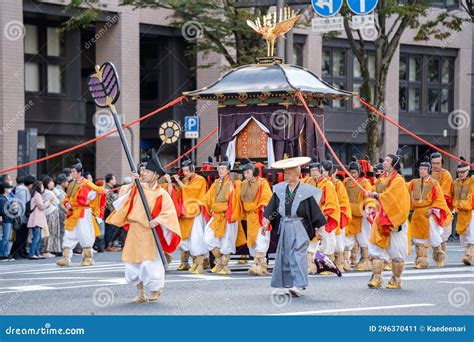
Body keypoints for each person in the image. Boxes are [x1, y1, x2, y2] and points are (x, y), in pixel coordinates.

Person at [106, 149, 181, 303]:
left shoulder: (162, 194)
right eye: (144, 171)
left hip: (149, 232)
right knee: (133, 264)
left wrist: (158, 220)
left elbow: (170, 212)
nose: (144, 173)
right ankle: (140, 293)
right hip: (135, 230)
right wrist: (134, 183)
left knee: (150, 264)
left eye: (147, 171)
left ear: (156, 175)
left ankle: (155, 290)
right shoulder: (137, 187)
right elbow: (123, 198)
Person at [262, 157, 326, 297]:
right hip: (285, 225)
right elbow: (271, 207)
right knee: (285, 255)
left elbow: (315, 211)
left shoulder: (305, 191)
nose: (285, 176)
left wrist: (319, 229)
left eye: (289, 173)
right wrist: (266, 221)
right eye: (284, 173)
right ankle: (288, 284)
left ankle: (298, 284)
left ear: (297, 174)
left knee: (298, 254)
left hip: (300, 226)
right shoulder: (280, 189)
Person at [366, 151, 411, 289]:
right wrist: (371, 194)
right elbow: (377, 193)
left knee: (397, 252)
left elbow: (392, 198)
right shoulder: (381, 179)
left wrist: (376, 195)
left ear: (394, 165)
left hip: (395, 219)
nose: (384, 162)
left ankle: (396, 279)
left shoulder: (399, 180)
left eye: (387, 161)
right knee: (376, 248)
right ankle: (377, 278)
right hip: (381, 218)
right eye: (384, 160)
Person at [56, 159, 106, 267]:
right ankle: (66, 258)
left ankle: (87, 258)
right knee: (69, 234)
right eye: (71, 171)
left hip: (83, 212)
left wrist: (101, 191)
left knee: (85, 234)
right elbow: (66, 198)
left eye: (73, 171)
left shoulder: (87, 184)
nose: (72, 173)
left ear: (79, 172)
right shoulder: (71, 184)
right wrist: (67, 204)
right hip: (73, 212)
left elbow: (98, 191)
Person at [407, 160, 453, 268]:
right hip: (417, 214)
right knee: (418, 239)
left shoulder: (434, 183)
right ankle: (421, 261)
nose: (422, 171)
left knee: (434, 237)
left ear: (429, 171)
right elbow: (403, 189)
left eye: (424, 169)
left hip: (429, 214)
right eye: (420, 169)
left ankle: (439, 256)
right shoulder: (414, 182)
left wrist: (432, 209)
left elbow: (439, 198)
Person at [202, 157, 242, 275]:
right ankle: (219, 261)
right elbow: (207, 198)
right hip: (217, 216)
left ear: (228, 171)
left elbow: (237, 197)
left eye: (223, 169)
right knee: (208, 238)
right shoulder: (216, 183)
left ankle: (225, 266)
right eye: (219, 169)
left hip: (228, 215)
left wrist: (232, 188)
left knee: (227, 241)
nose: (220, 171)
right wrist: (199, 204)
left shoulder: (234, 183)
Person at [172, 159, 209, 274]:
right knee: (186, 238)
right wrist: (174, 184)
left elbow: (191, 192)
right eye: (184, 171)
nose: (185, 173)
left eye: (187, 170)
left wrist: (179, 182)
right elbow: (181, 193)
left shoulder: (200, 180)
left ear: (193, 169)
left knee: (197, 237)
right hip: (186, 212)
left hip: (196, 212)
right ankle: (195, 262)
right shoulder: (184, 180)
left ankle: (200, 263)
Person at [303, 160, 339, 275]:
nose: (313, 173)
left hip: (325, 215)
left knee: (327, 240)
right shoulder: (308, 182)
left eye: (315, 170)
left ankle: (326, 266)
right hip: (312, 215)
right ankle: (311, 265)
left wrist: (323, 215)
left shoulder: (328, 184)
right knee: (312, 240)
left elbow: (331, 202)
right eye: (311, 170)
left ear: (321, 172)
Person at [238, 158, 272, 276]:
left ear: (254, 172)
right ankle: (261, 266)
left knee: (261, 239)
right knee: (252, 241)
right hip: (249, 217)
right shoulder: (243, 184)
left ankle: (258, 266)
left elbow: (267, 199)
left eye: (247, 172)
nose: (245, 175)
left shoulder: (262, 182)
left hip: (259, 215)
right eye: (244, 173)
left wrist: (265, 216)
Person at [344, 158, 374, 271]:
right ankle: (345, 261)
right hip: (349, 214)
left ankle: (365, 260)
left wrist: (367, 209)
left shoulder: (365, 183)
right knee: (348, 238)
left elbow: (369, 198)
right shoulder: (346, 182)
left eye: (355, 172)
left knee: (364, 238)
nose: (353, 174)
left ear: (359, 172)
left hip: (362, 215)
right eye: (351, 172)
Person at [329, 165, 352, 273]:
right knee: (329, 241)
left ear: (334, 172)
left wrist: (335, 211)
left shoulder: (338, 184)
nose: (325, 173)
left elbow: (343, 201)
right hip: (327, 215)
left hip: (338, 215)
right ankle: (330, 263)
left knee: (339, 239)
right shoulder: (322, 183)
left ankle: (340, 263)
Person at [430, 152, 454, 251]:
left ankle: (440, 255)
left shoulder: (446, 174)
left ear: (442, 163)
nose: (435, 165)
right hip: (429, 207)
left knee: (442, 235)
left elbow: (445, 193)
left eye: (438, 163)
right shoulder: (428, 173)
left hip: (442, 208)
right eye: (433, 163)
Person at [452, 157, 474, 265]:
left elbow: (471, 197)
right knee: (463, 236)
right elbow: (452, 196)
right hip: (460, 213)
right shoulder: (455, 182)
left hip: (472, 211)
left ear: (468, 171)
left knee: (471, 234)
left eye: (463, 172)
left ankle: (469, 256)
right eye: (459, 172)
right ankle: (468, 254)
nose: (460, 174)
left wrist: (462, 204)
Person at [9, 175, 36, 259]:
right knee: (21, 236)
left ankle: (18, 252)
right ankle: (17, 253)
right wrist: (27, 214)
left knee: (21, 235)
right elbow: (24, 204)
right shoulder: (24, 191)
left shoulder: (20, 189)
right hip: (22, 216)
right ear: (30, 184)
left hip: (20, 215)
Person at [27, 181, 53, 259]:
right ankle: (32, 254)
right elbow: (42, 206)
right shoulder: (37, 195)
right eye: (42, 186)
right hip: (36, 219)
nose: (43, 188)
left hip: (37, 219)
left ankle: (36, 253)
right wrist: (49, 201)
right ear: (38, 187)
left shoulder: (36, 195)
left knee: (38, 237)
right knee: (37, 237)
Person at [41, 176, 61, 258]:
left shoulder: (47, 191)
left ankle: (47, 250)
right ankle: (46, 250)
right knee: (50, 232)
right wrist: (54, 191)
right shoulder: (48, 193)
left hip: (50, 214)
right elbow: (57, 202)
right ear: (47, 184)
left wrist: (54, 190)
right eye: (50, 182)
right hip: (51, 214)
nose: (52, 183)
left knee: (50, 232)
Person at [104, 173, 121, 252]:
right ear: (110, 180)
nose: (115, 181)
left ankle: (109, 244)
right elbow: (106, 202)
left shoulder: (111, 188)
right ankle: (108, 245)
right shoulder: (107, 189)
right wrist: (112, 211)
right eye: (114, 179)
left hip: (111, 211)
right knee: (109, 229)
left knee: (112, 228)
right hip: (108, 211)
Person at [0, 183, 14, 260]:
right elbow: (3, 211)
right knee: (6, 237)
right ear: (5, 189)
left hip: (8, 219)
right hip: (6, 219)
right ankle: (2, 254)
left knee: (7, 237)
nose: (10, 189)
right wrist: (11, 208)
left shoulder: (5, 197)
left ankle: (5, 254)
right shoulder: (2, 198)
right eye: (8, 188)